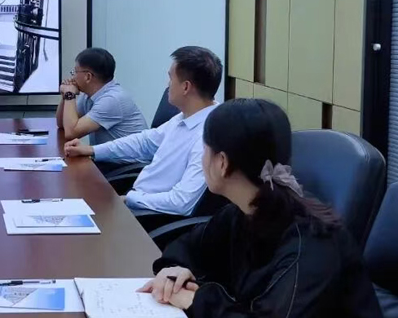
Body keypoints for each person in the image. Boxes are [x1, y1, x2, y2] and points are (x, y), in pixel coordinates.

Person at [138, 99, 383, 317]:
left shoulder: (309, 245)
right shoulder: (244, 211)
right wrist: (174, 272)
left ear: (222, 163)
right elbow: (188, 247)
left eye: (205, 149)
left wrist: (196, 300)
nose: (202, 159)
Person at [65, 46, 222, 216]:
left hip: (152, 216)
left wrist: (129, 199)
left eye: (171, 78)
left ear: (185, 87)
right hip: (139, 201)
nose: (167, 84)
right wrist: (92, 150)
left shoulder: (208, 136)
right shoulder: (184, 118)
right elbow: (144, 142)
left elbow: (181, 202)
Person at [56, 48, 147, 145]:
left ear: (88, 77)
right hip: (110, 154)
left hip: (130, 155)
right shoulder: (88, 94)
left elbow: (71, 133)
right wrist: (65, 95)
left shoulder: (112, 99)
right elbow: (62, 124)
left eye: (75, 72)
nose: (72, 77)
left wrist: (69, 94)